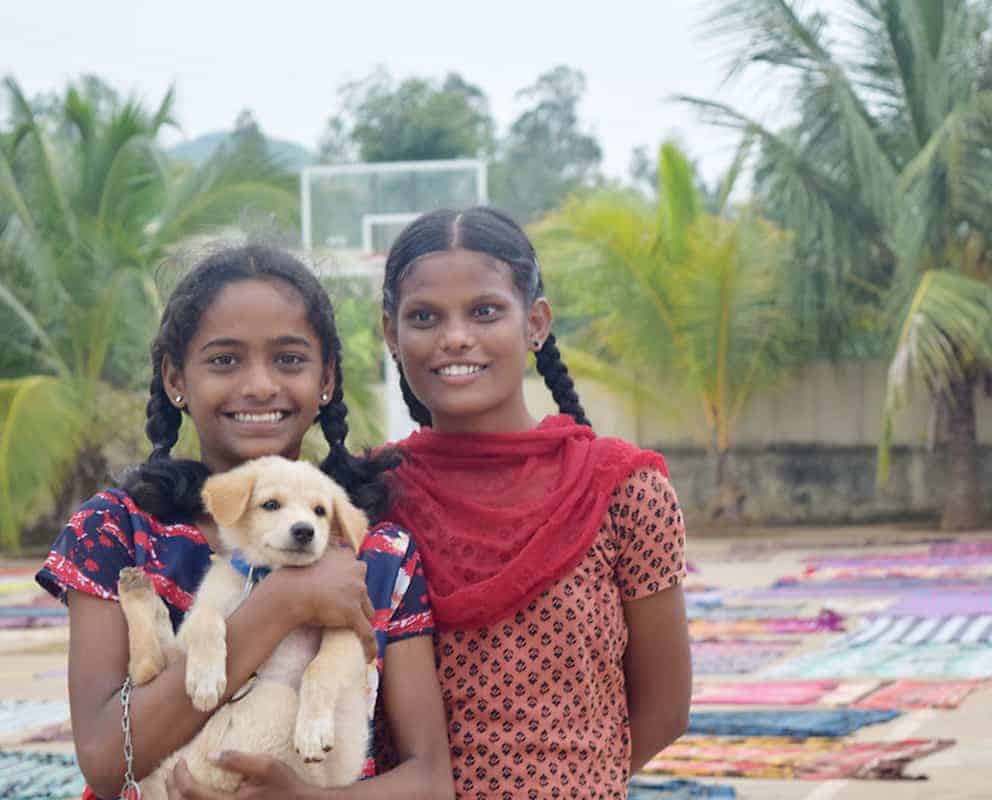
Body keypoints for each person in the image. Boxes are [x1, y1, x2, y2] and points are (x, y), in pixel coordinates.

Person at [35, 246, 454, 800]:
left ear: (326, 377)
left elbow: (430, 781)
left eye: (289, 359)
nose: (259, 385)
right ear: (175, 378)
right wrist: (283, 603)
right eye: (224, 360)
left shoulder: (376, 551)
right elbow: (109, 760)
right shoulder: (119, 533)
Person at [378, 207, 693, 799]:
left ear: (536, 323)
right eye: (424, 317)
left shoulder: (621, 489)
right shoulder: (366, 496)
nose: (455, 337)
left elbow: (665, 709)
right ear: (391, 334)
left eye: (485, 311)